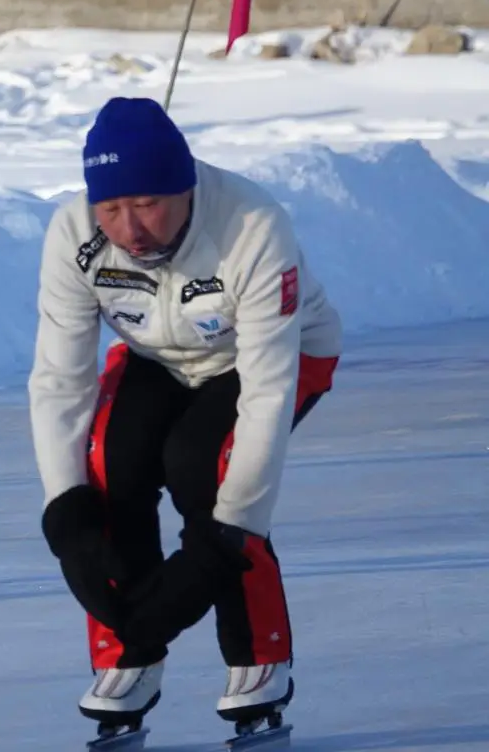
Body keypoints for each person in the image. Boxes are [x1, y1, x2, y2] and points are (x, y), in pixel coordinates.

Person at [28, 97, 341, 740]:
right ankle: (130, 645)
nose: (130, 228)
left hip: (280, 354)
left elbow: (266, 387)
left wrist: (222, 544)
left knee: (209, 468)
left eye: (147, 204)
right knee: (110, 467)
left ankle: (259, 657)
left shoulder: (251, 225)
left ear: (186, 187)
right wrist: (68, 514)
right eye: (111, 209)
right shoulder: (72, 233)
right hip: (158, 357)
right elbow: (60, 378)